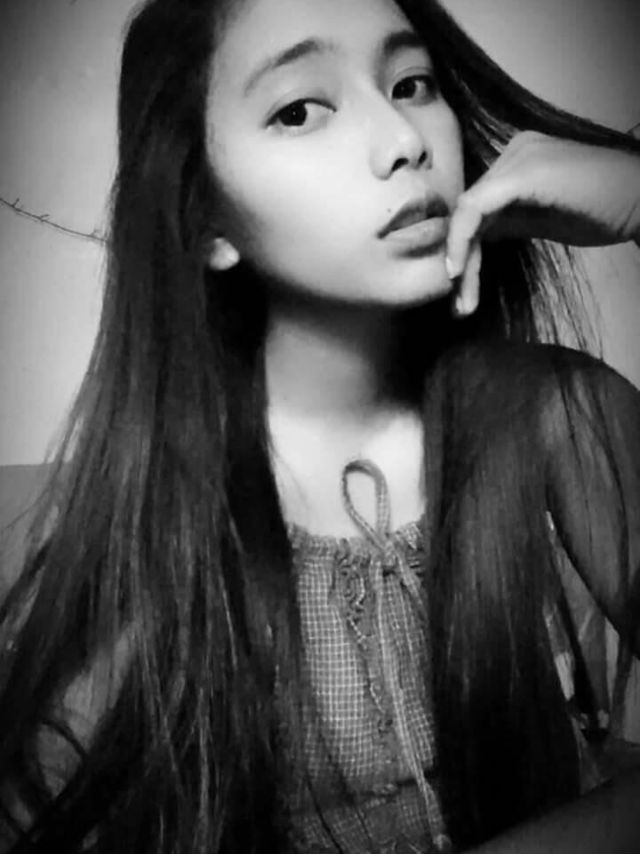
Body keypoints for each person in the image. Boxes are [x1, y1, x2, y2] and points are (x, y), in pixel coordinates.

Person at [0, 0, 639, 850]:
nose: (403, 140)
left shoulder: (555, 413)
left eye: (412, 84)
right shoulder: (162, 528)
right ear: (206, 218)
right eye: (301, 109)